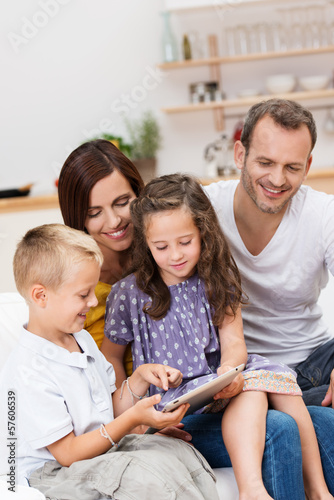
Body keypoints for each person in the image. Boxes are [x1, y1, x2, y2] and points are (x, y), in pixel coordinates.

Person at [104, 173, 333, 500]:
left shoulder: (216, 277)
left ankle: (318, 489)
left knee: (268, 386)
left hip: (217, 384)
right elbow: (111, 356)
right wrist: (130, 418)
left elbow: (234, 341)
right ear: (145, 243)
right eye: (161, 247)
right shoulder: (129, 293)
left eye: (185, 242)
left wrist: (229, 369)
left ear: (203, 233)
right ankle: (251, 488)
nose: (176, 255)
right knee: (262, 403)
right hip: (173, 401)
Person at [0, 223, 218, 500]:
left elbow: (107, 410)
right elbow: (68, 453)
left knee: (177, 451)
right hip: (53, 472)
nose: (93, 302)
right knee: (144, 474)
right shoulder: (28, 370)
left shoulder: (80, 340)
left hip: (99, 453)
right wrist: (132, 420)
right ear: (40, 296)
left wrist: (139, 379)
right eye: (83, 294)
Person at [203, 98, 334, 408]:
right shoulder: (205, 209)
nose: (277, 180)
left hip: (315, 363)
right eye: (265, 163)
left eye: (292, 167)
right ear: (240, 154)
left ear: (308, 166)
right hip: (244, 375)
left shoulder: (324, 213)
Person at [58, 139, 144, 381]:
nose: (114, 221)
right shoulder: (72, 285)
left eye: (122, 202)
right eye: (94, 213)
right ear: (78, 219)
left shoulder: (165, 252)